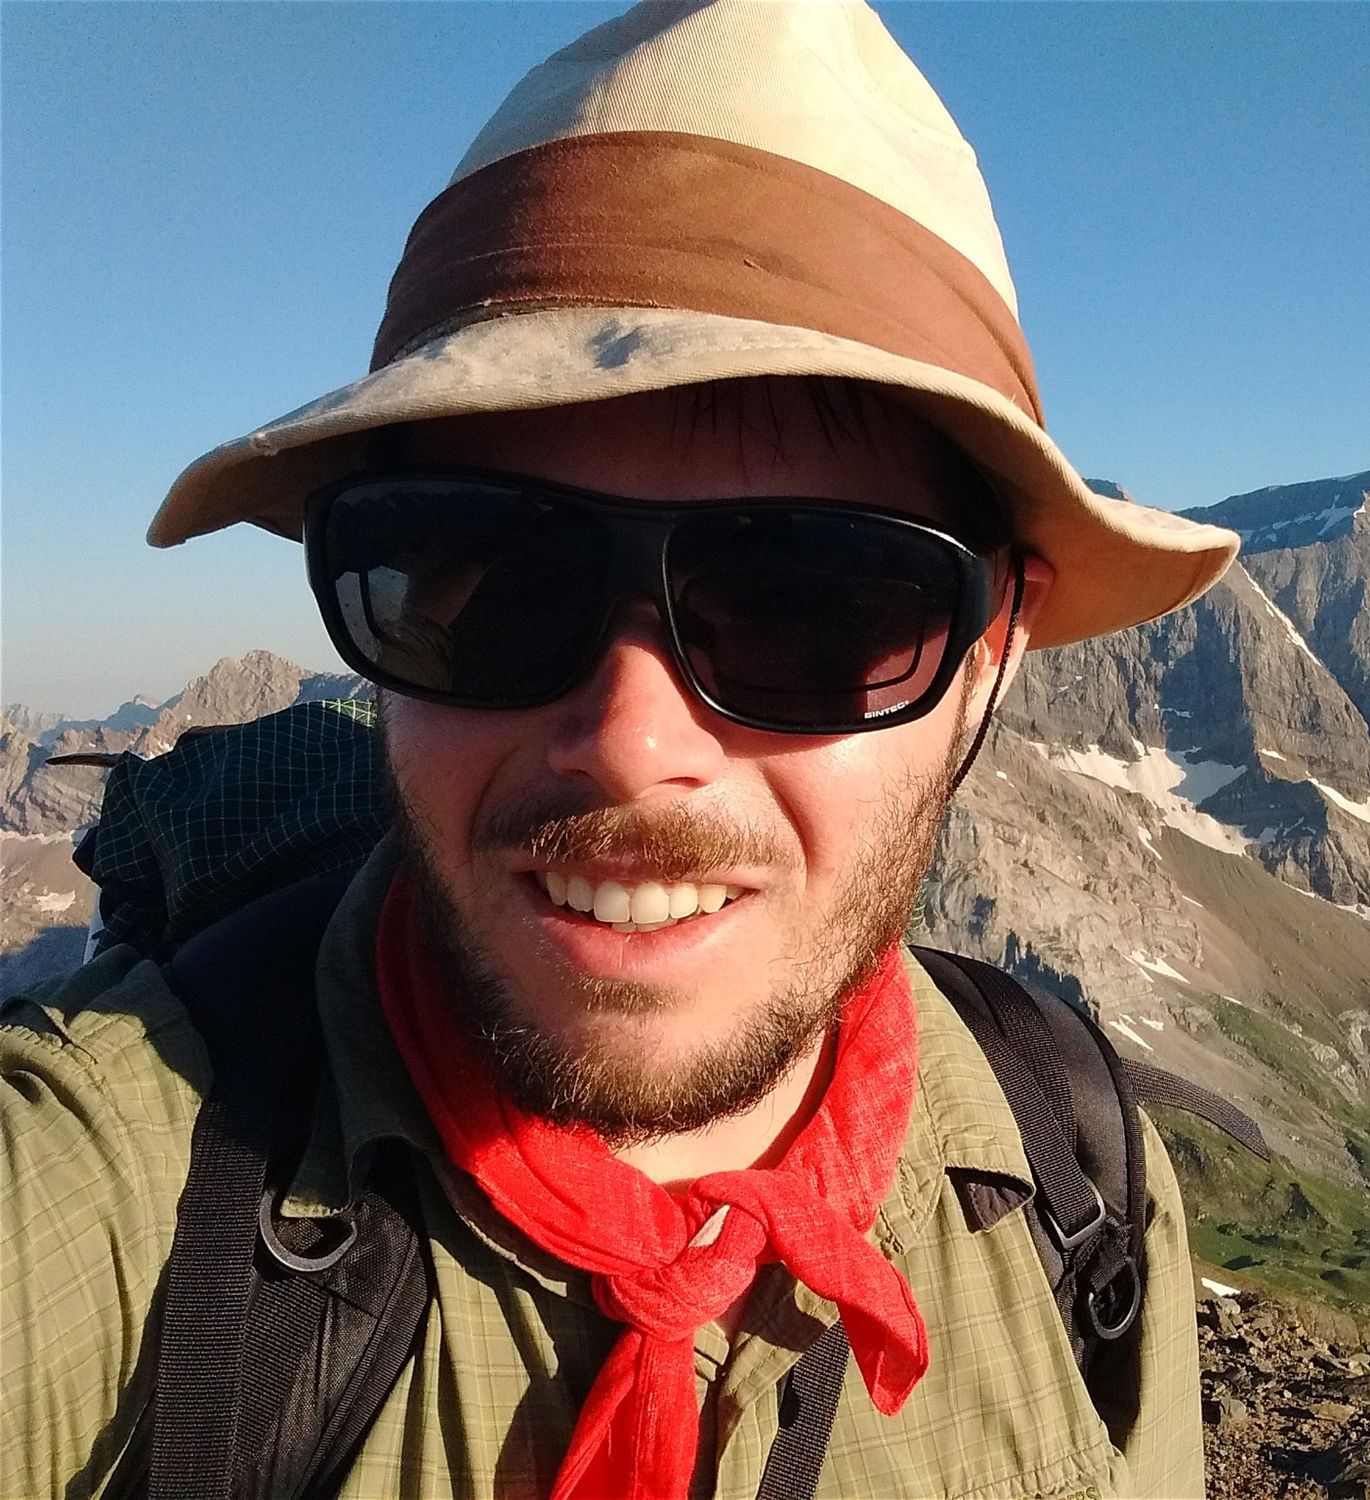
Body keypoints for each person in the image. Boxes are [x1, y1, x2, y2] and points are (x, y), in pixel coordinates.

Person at [2, 4, 1240, 1497]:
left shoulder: (1082, 1193)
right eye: (479, 582)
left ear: (988, 665)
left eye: (810, 609)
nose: (630, 743)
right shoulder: (105, 1199)